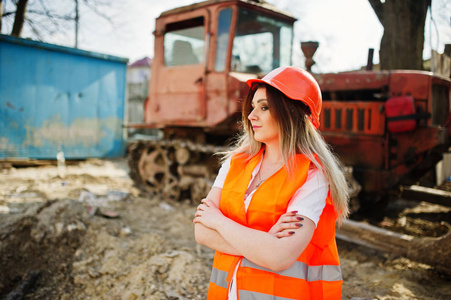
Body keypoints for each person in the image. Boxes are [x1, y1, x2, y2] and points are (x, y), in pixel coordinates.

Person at [193, 66, 349, 300]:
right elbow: (201, 232)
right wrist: (265, 241)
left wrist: (218, 221)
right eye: (253, 106)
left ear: (291, 113)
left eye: (264, 107)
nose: (251, 116)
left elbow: (279, 257)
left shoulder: (312, 176)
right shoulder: (236, 163)